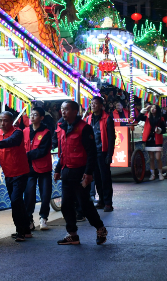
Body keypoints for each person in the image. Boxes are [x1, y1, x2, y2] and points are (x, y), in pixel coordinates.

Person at [53, 101, 108, 246]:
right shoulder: (62, 127)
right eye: (62, 109)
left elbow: (91, 153)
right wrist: (58, 169)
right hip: (67, 172)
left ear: (75, 111)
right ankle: (72, 234)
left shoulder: (84, 128)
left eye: (66, 109)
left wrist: (88, 173)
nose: (63, 112)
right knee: (66, 205)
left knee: (84, 205)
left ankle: (100, 228)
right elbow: (63, 152)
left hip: (80, 173)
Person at [0, 112, 31, 242]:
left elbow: (9, 142)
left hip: (20, 172)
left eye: (5, 121)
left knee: (15, 201)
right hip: (8, 173)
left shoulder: (17, 133)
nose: (2, 123)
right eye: (0, 120)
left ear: (11, 122)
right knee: (17, 201)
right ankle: (26, 228)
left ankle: (20, 231)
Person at [23, 106, 53, 231]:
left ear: (41, 118)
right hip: (29, 168)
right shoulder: (25, 131)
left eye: (35, 115)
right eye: (31, 114)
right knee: (29, 194)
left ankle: (43, 217)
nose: (32, 116)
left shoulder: (46, 132)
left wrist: (26, 155)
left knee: (45, 194)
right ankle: (29, 219)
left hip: (44, 168)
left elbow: (42, 151)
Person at [84, 96, 115, 211]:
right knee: (96, 178)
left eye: (95, 103)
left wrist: (109, 155)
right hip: (92, 153)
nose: (93, 105)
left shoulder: (107, 119)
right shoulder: (88, 119)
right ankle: (101, 199)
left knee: (105, 178)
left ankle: (108, 203)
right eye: (92, 103)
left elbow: (111, 138)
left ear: (101, 105)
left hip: (103, 152)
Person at [137, 104, 166, 179]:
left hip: (157, 139)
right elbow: (138, 117)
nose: (153, 109)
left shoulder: (161, 118)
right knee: (151, 158)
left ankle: (160, 173)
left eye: (155, 108)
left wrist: (159, 130)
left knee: (158, 158)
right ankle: (152, 174)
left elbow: (164, 130)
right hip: (149, 139)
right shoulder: (147, 117)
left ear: (157, 110)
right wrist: (145, 109)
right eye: (152, 108)